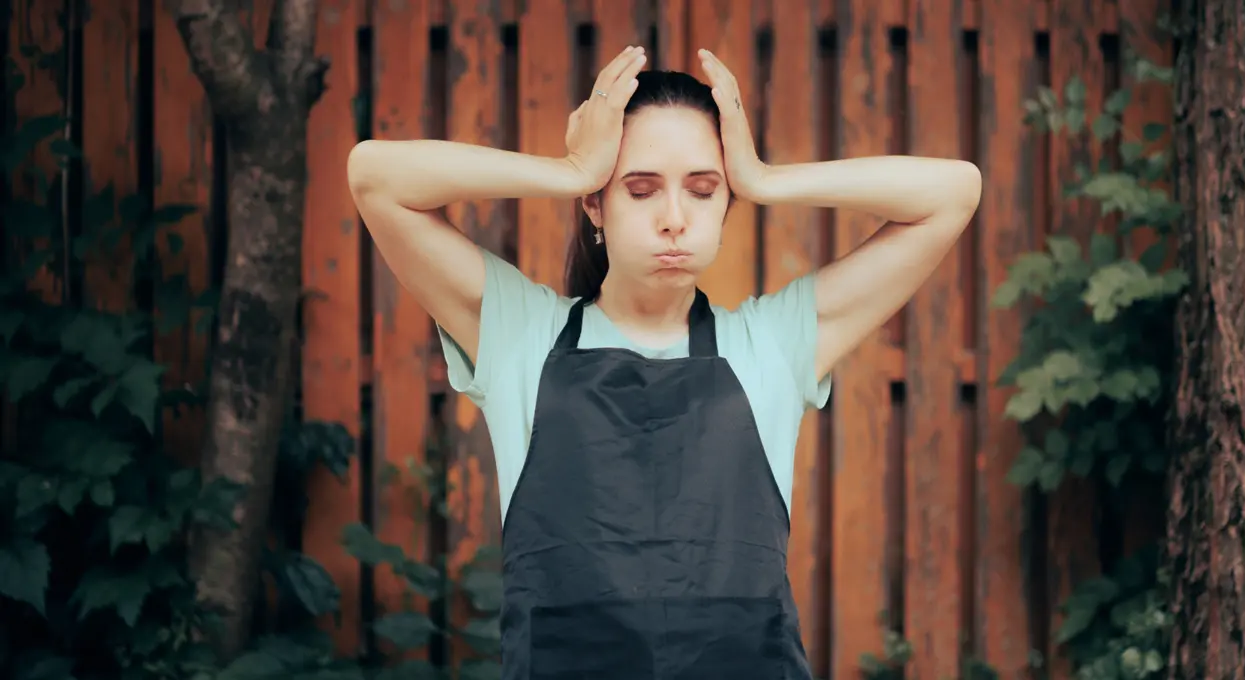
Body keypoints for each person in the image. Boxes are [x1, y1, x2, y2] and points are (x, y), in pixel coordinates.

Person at [348, 45, 982, 680]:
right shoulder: (520, 336)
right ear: (596, 205)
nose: (674, 219)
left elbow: (954, 192)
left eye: (703, 191)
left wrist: (764, 179)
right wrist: (570, 171)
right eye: (640, 189)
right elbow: (375, 176)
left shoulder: (773, 344)